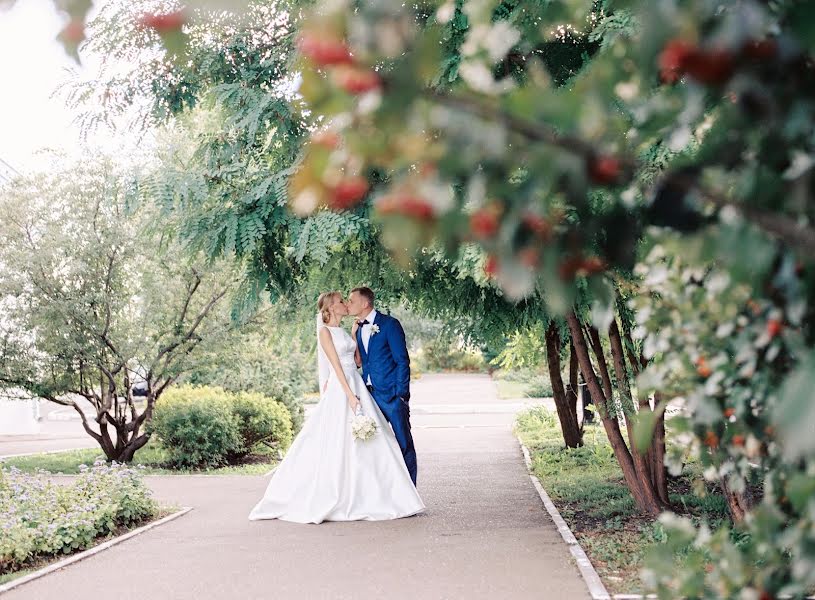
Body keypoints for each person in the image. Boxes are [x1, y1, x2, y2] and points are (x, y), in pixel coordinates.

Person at [248, 291, 424, 524]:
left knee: (386, 444)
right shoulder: (324, 332)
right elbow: (336, 368)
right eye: (342, 301)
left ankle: (397, 493)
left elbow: (360, 362)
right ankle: (347, 493)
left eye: (348, 300)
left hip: (366, 388)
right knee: (344, 443)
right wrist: (350, 395)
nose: (345, 304)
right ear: (331, 307)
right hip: (346, 389)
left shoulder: (352, 330)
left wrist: (353, 337)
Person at [346, 286, 417, 485]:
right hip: (369, 395)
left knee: (404, 443)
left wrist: (401, 394)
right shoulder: (357, 328)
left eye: (352, 301)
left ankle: (410, 491)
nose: (348, 304)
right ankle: (385, 490)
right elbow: (360, 362)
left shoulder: (389, 325)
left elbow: (402, 361)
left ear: (365, 303)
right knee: (376, 445)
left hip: (392, 396)